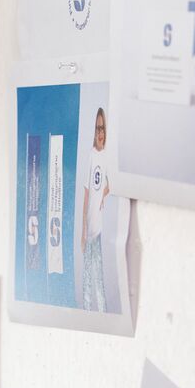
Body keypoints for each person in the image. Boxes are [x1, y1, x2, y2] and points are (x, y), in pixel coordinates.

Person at [80, 106, 110, 312]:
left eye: (103, 128)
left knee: (98, 274)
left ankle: (102, 314)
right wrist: (83, 232)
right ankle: (87, 312)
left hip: (98, 229)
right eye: (98, 128)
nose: (100, 133)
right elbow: (86, 194)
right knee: (87, 275)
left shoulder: (107, 157)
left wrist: (103, 196)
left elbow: (111, 184)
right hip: (89, 227)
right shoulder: (91, 156)